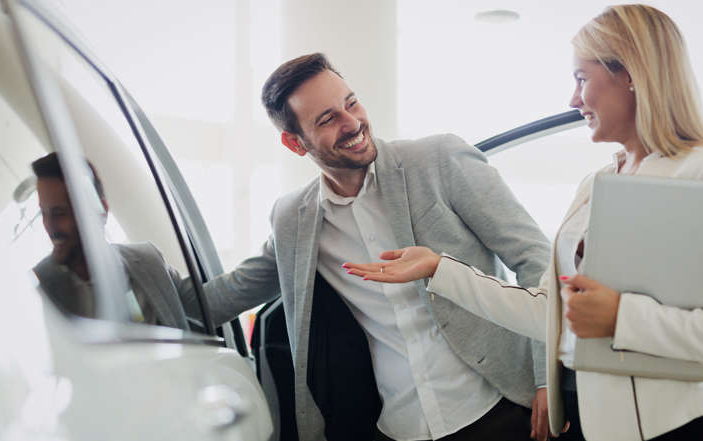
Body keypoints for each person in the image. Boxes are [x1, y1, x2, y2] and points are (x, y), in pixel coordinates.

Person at [344, 5, 703, 441]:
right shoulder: (596, 184)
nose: (573, 100)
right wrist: (438, 268)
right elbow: (551, 313)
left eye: (581, 79)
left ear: (630, 74)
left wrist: (621, 317)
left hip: (674, 430)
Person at [198, 53, 552, 441]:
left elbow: (535, 259)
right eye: (328, 119)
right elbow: (231, 292)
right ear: (295, 143)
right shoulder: (293, 220)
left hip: (501, 407)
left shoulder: (439, 160)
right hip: (399, 427)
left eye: (351, 103)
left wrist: (545, 378)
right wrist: (131, 275)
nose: (352, 123)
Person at [32, 152, 196, 330]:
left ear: (100, 211)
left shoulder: (147, 260)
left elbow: (200, 303)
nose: (49, 226)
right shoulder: (37, 291)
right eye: (44, 213)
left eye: (59, 213)